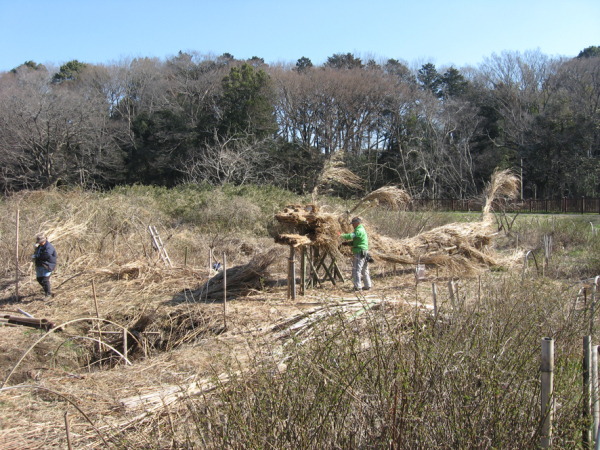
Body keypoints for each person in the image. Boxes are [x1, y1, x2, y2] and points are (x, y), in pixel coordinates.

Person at [340, 217, 372, 291]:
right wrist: (348, 243)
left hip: (359, 251)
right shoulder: (361, 230)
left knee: (356, 270)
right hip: (364, 251)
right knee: (364, 269)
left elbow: (351, 236)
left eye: (353, 224)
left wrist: (341, 235)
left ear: (357, 222)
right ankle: (368, 285)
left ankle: (357, 287)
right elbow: (356, 242)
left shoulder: (359, 230)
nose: (352, 225)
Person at [32, 233, 57, 299]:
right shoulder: (39, 247)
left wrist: (37, 256)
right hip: (40, 265)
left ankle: (48, 294)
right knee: (39, 279)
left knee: (45, 280)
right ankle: (46, 289)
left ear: (44, 241)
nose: (40, 243)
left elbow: (46, 255)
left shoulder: (49, 247)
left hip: (47, 265)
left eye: (41, 242)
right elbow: (37, 253)